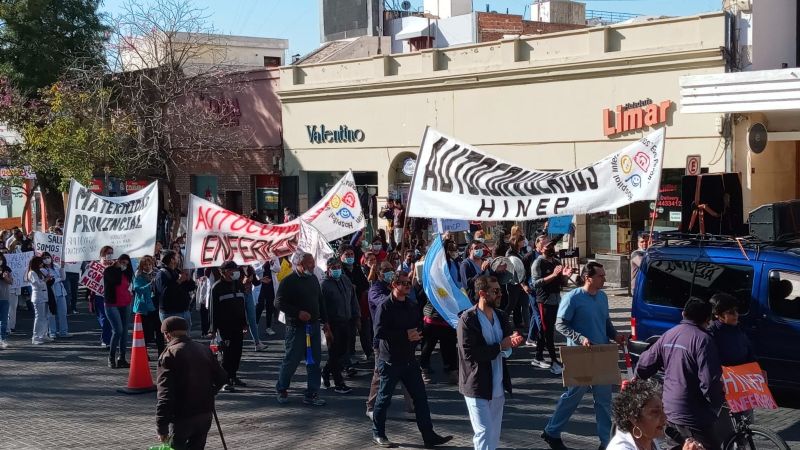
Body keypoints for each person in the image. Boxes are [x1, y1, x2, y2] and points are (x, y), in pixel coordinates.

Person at [542, 262, 627, 450]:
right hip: (579, 355)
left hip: (601, 354)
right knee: (573, 395)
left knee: (604, 400)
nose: (604, 279)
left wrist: (615, 336)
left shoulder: (603, 297)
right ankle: (551, 432)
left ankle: (606, 442)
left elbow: (606, 323)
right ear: (588, 278)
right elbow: (560, 324)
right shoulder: (572, 298)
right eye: (601, 276)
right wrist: (580, 338)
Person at [371, 271, 452, 448]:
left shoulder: (412, 305)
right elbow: (379, 333)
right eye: (403, 283)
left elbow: (418, 327)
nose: (407, 286)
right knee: (384, 399)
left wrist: (418, 335)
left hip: (409, 360)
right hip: (390, 360)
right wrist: (404, 335)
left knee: (421, 398)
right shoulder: (385, 306)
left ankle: (428, 435)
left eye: (408, 283)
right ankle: (378, 433)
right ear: (394, 285)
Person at [635, 298, 725, 450]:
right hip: (693, 415)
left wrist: (637, 378)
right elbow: (709, 383)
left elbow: (645, 364)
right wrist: (717, 403)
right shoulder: (703, 341)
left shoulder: (669, 334)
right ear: (707, 319)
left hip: (669, 410)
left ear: (683, 314)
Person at [457, 275, 524, 450]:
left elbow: (507, 348)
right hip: (477, 385)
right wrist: (500, 346)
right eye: (495, 291)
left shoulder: (501, 316)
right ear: (482, 293)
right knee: (484, 432)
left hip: (497, 386)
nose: (500, 294)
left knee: (493, 433)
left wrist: (511, 344)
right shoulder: (467, 319)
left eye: (500, 290)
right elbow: (469, 354)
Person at [156, 316, 228, 450]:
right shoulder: (203, 349)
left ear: (168, 334)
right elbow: (222, 377)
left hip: (181, 417)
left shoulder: (169, 355)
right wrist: (210, 392)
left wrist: (162, 427)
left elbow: (165, 395)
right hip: (205, 414)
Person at [274, 253, 329, 406]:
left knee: (314, 361)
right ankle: (282, 388)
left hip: (313, 327)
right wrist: (297, 313)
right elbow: (278, 303)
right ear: (299, 264)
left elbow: (320, 301)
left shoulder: (313, 279)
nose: (312, 266)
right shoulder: (288, 281)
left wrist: (326, 323)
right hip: (296, 328)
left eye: (313, 262)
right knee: (291, 360)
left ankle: (312, 393)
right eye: (309, 263)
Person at [708, 292, 756, 441]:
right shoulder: (712, 333)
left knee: (746, 424)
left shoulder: (738, 329)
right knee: (726, 429)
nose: (736, 315)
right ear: (718, 315)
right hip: (724, 385)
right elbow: (711, 361)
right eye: (730, 312)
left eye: (736, 311)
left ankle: (740, 444)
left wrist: (756, 368)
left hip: (741, 384)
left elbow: (748, 350)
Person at [608, 379, 704, 450]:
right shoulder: (621, 448)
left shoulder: (649, 440)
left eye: (663, 410)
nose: (664, 418)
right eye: (655, 412)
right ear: (634, 418)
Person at [531, 238, 572, 375]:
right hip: (544, 301)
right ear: (541, 249)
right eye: (548, 247)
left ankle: (538, 356)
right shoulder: (538, 263)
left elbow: (563, 283)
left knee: (545, 331)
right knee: (547, 331)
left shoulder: (556, 262)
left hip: (555, 300)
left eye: (553, 246)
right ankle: (554, 360)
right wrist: (553, 275)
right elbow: (535, 283)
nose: (551, 249)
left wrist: (566, 276)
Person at [320, 257, 360, 393]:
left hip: (347, 321)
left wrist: (356, 316)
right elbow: (322, 308)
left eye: (338, 267)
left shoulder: (345, 280)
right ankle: (339, 383)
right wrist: (326, 327)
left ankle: (325, 372)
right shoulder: (324, 285)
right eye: (334, 268)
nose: (337, 270)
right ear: (328, 269)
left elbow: (353, 299)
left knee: (341, 352)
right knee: (334, 353)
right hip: (333, 324)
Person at [210, 261, 249, 392]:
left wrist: (245, 324)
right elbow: (213, 310)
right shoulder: (217, 287)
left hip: (238, 325)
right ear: (224, 271)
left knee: (237, 352)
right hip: (224, 327)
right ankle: (224, 381)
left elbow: (242, 305)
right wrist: (213, 329)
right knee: (226, 354)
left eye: (236, 269)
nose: (235, 272)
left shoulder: (238, 285)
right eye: (232, 269)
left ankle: (233, 376)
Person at [103, 253, 134, 369]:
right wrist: (117, 268)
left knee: (125, 331)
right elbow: (115, 281)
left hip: (125, 303)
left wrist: (124, 270)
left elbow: (128, 285)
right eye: (122, 262)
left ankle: (122, 358)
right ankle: (111, 357)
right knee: (118, 330)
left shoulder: (127, 272)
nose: (124, 265)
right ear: (117, 261)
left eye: (126, 263)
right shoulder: (109, 271)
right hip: (112, 304)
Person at [155, 250, 196, 329]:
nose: (179, 259)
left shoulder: (177, 271)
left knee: (185, 339)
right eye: (177, 257)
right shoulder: (161, 274)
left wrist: (188, 278)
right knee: (175, 339)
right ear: (172, 260)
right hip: (170, 313)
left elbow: (191, 287)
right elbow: (165, 294)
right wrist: (179, 281)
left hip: (184, 311)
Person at [133, 255, 164, 355]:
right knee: (145, 333)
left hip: (156, 306)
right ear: (141, 266)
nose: (147, 266)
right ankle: (144, 354)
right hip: (144, 308)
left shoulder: (158, 273)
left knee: (159, 332)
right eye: (145, 265)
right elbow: (138, 289)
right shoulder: (138, 275)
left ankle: (161, 354)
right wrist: (150, 284)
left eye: (149, 264)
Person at [41, 252, 68, 339]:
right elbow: (50, 282)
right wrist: (57, 279)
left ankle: (63, 332)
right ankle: (52, 332)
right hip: (51, 294)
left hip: (60, 292)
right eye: (44, 258)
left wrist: (62, 267)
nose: (47, 259)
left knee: (63, 313)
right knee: (51, 314)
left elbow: (63, 278)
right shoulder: (42, 270)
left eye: (48, 257)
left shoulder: (56, 266)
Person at [27, 256, 52, 345]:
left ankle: (43, 334)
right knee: (39, 317)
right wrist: (46, 279)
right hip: (38, 297)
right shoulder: (32, 273)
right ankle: (35, 337)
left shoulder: (40, 271)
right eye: (40, 262)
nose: (42, 264)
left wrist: (47, 277)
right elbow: (38, 284)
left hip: (44, 296)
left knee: (45, 316)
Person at [93, 246, 114, 348]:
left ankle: (107, 337)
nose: (109, 255)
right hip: (100, 295)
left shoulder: (114, 265)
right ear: (102, 254)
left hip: (111, 295)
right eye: (107, 253)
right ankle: (106, 339)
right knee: (104, 318)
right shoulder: (96, 266)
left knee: (110, 318)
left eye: (111, 253)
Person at [0, 253, 11, 348]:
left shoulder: (6, 269)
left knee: (3, 321)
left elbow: (11, 282)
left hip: (4, 298)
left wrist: (6, 277)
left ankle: (2, 339)